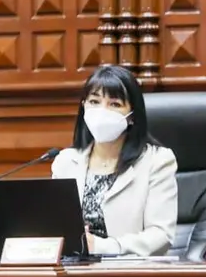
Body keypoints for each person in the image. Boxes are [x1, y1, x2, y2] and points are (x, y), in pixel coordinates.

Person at [51, 65, 178, 256]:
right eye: (94, 101)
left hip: (126, 275)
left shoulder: (157, 161)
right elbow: (54, 227)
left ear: (132, 116)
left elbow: (160, 236)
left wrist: (101, 246)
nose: (102, 111)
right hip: (71, 272)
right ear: (83, 106)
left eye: (115, 104)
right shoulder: (66, 161)